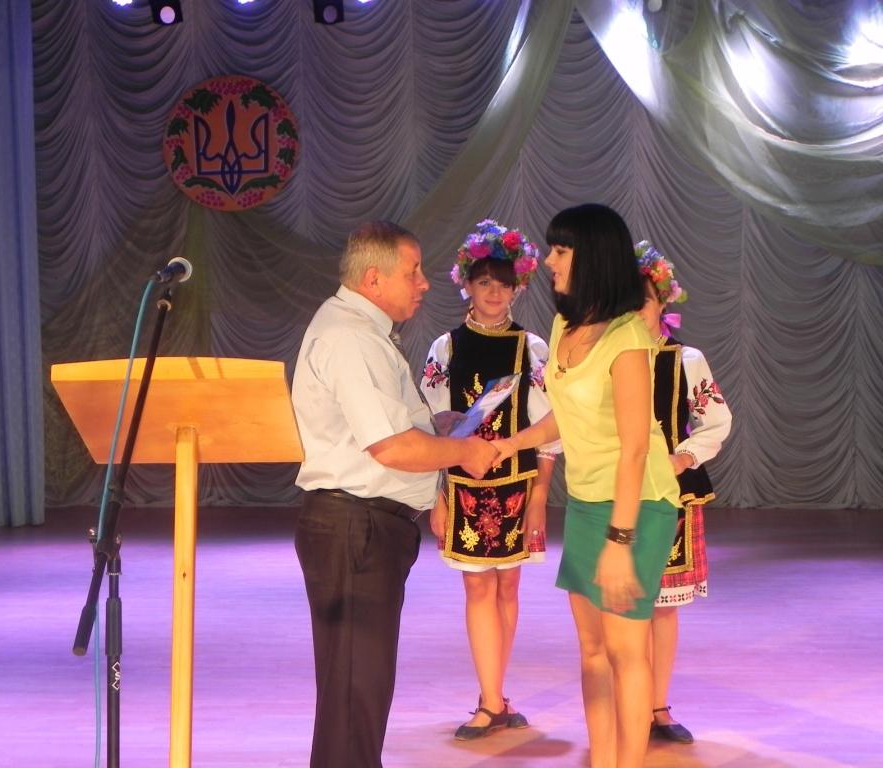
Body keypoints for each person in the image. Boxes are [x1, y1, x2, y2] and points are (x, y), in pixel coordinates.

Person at [291, 220, 499, 768]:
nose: (424, 282)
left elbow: (387, 430)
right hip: (355, 526)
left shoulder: (361, 330)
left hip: (361, 526)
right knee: (355, 691)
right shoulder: (352, 338)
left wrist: (438, 427)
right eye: (413, 272)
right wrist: (464, 452)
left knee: (357, 690)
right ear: (374, 279)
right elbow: (390, 446)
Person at [491, 203, 680, 768]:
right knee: (593, 651)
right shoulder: (565, 326)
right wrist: (509, 444)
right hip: (587, 502)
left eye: (560, 250)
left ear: (591, 255)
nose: (548, 261)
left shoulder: (627, 337)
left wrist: (620, 543)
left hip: (637, 505)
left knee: (625, 650)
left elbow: (635, 447)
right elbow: (564, 417)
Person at [419, 219, 559, 739]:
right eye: (484, 283)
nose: (494, 293)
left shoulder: (532, 349)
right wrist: (437, 496)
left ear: (517, 288)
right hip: (463, 489)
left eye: (503, 284)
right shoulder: (446, 349)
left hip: (518, 487)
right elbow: (432, 427)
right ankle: (490, 700)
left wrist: (540, 496)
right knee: (478, 588)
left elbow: (550, 427)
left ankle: (495, 694)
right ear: (467, 286)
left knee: (509, 587)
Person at [634, 240, 732, 744]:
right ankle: (628, 704)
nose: (635, 311)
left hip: (670, 494)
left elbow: (715, 419)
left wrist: (682, 458)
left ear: (662, 303)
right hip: (616, 494)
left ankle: (657, 706)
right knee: (622, 603)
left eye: (643, 301)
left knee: (661, 604)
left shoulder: (685, 359)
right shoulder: (603, 361)